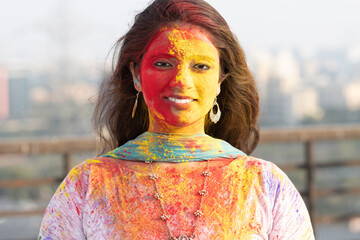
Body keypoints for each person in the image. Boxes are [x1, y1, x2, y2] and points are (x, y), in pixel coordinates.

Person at [39, 0, 315, 239]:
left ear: (220, 80)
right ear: (136, 74)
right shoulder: (87, 186)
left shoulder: (265, 185)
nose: (182, 81)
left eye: (201, 66)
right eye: (163, 63)